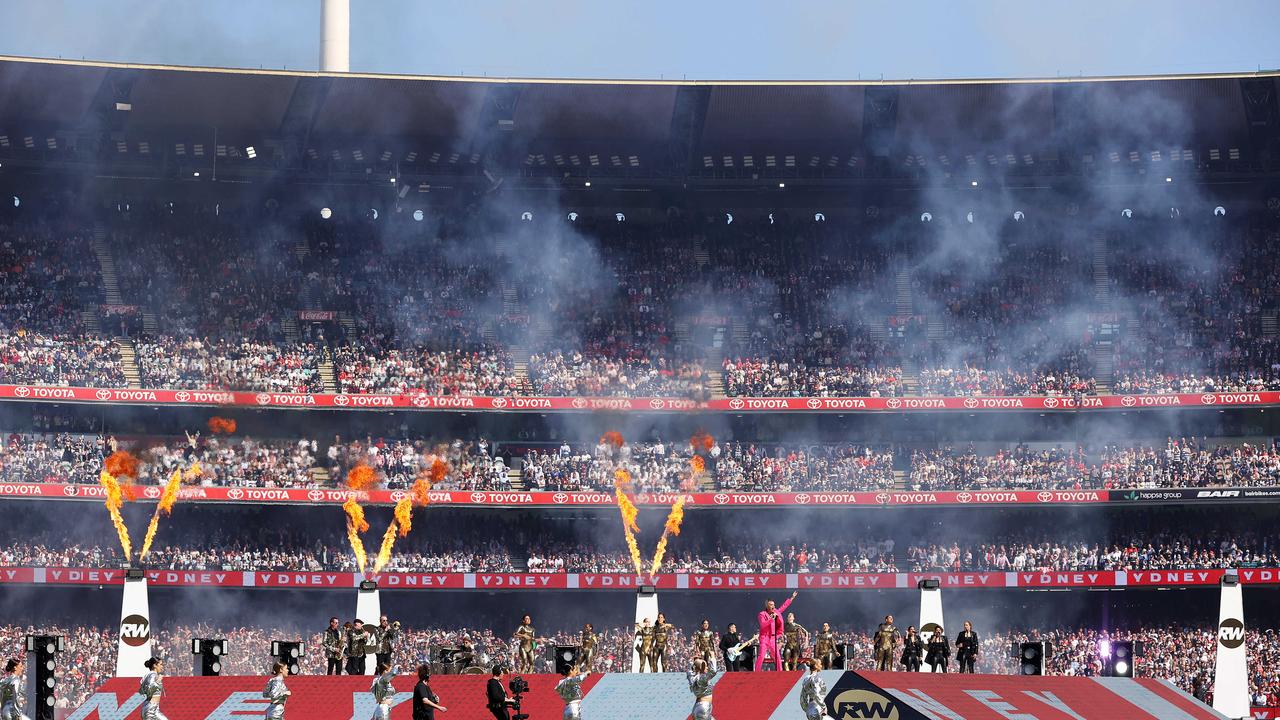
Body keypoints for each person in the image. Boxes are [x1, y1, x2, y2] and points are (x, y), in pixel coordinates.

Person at [756, 591, 798, 671]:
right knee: (761, 655)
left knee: (777, 656)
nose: (773, 606)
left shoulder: (776, 612)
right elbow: (763, 624)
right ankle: (757, 671)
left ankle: (780, 672)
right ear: (767, 605)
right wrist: (771, 619)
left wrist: (792, 598)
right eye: (771, 605)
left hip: (772, 638)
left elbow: (784, 606)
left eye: (774, 605)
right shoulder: (762, 614)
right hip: (764, 637)